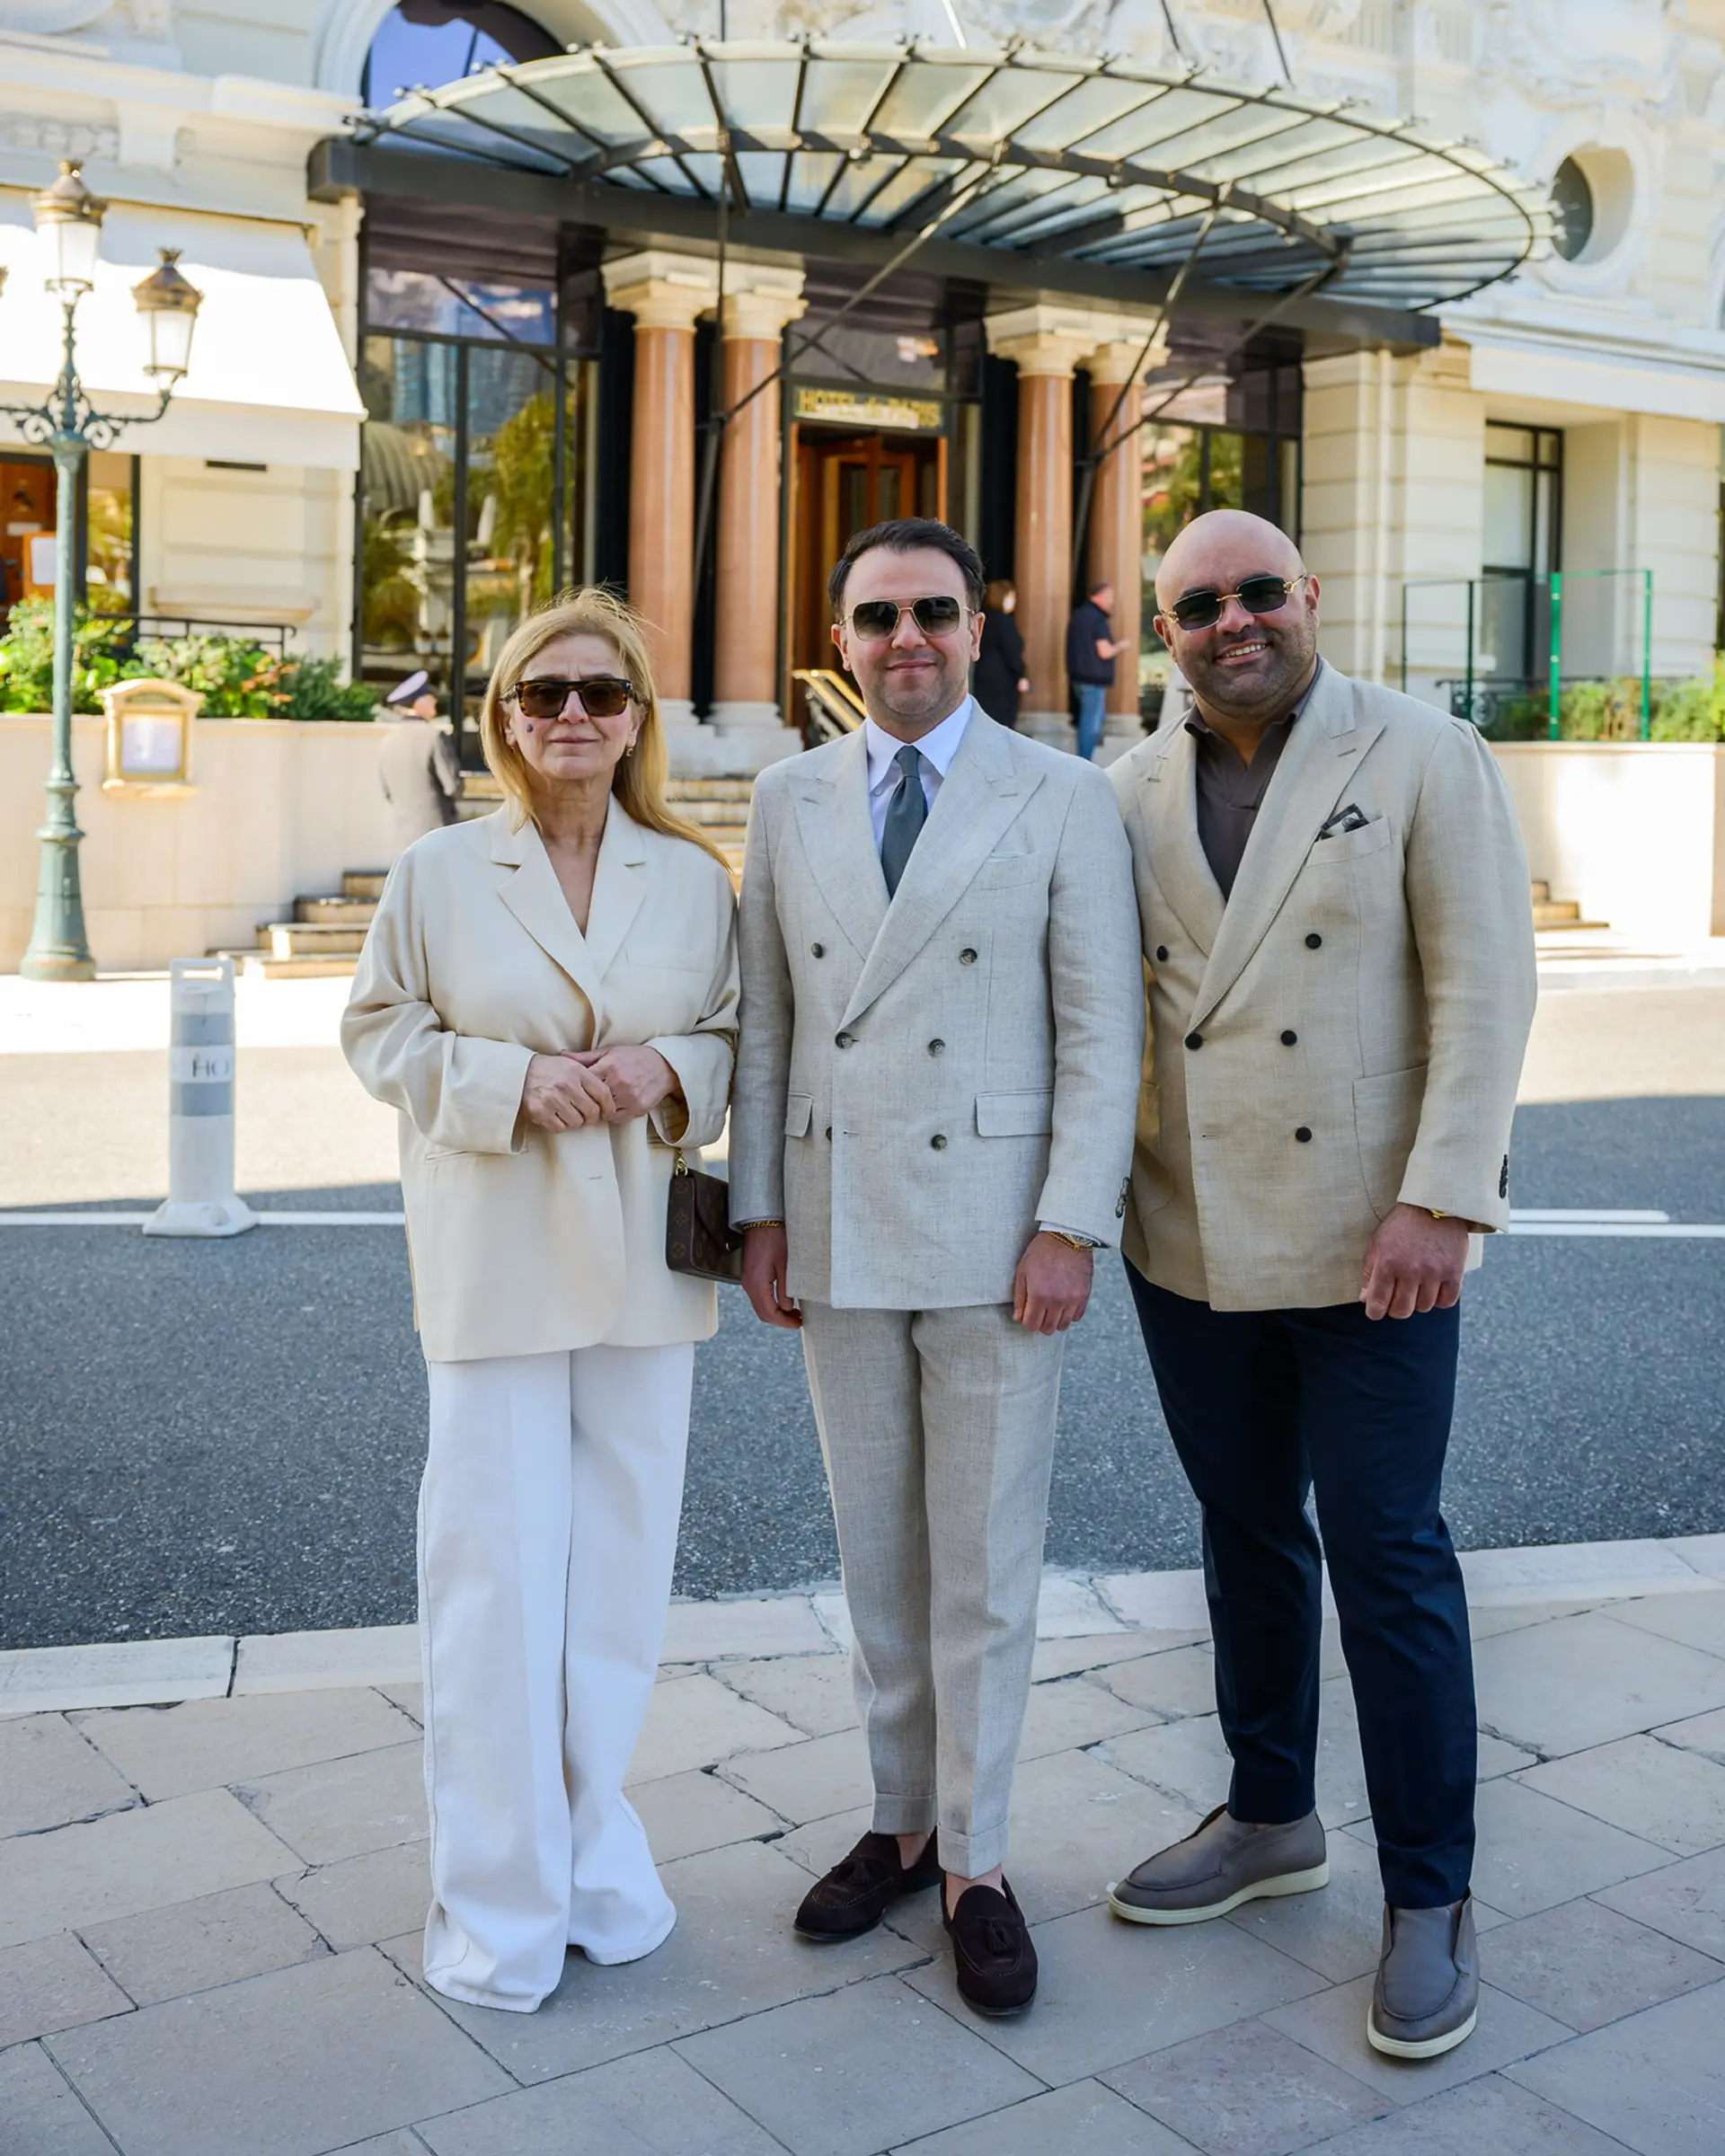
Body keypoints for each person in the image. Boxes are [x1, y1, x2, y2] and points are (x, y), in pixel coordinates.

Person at [1105, 509, 1536, 2061]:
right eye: (1198, 604)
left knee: (1388, 1554)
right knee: (1243, 1537)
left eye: (1258, 592)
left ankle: (1434, 1893)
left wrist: (1441, 1199)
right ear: (1165, 632)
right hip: (1191, 1236)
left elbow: (1486, 988)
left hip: (1376, 1246)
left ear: (1311, 598)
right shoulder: (1128, 790)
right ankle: (1272, 1816)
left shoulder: (1424, 750)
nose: (1234, 622)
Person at [729, 517, 1143, 2017]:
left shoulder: (1063, 794)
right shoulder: (784, 796)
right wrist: (760, 1212)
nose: (907, 638)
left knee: (986, 1565)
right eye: (877, 616)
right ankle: (899, 1823)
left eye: (934, 614)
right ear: (839, 638)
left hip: (994, 1234)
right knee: (879, 1556)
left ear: (983, 629)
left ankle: (979, 1859)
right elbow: (769, 1021)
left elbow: (1105, 1031)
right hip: (836, 1223)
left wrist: (1068, 1223)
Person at [341, 591, 739, 2014]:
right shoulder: (441, 873)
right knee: (495, 1587)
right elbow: (377, 1029)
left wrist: (673, 1065)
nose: (573, 715)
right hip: (496, 1258)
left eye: (603, 693)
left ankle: (593, 1864)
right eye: (543, 692)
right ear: (505, 715)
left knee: (618, 1589)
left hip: (643, 1262)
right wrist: (511, 1082)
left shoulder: (694, 878)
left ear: (638, 719)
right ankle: (499, 1909)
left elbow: (745, 1030)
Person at [378, 668, 464, 855]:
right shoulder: (433, 736)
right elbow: (453, 787)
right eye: (429, 696)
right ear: (419, 702)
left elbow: (387, 792)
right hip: (438, 833)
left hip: (404, 836)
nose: (434, 700)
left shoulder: (387, 742)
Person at [1066, 580, 1131, 760]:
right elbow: (1105, 651)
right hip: (1094, 679)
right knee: (1091, 723)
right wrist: (1122, 646)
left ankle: (1084, 759)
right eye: (1110, 597)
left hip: (1078, 676)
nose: (1112, 602)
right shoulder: (1098, 619)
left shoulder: (1079, 615)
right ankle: (1085, 761)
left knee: (1094, 718)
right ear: (1099, 596)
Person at [972, 578, 1028, 728]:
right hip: (1002, 678)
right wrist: (1021, 674)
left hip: (983, 673)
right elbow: (1011, 651)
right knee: (1003, 719)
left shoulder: (983, 620)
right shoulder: (1005, 621)